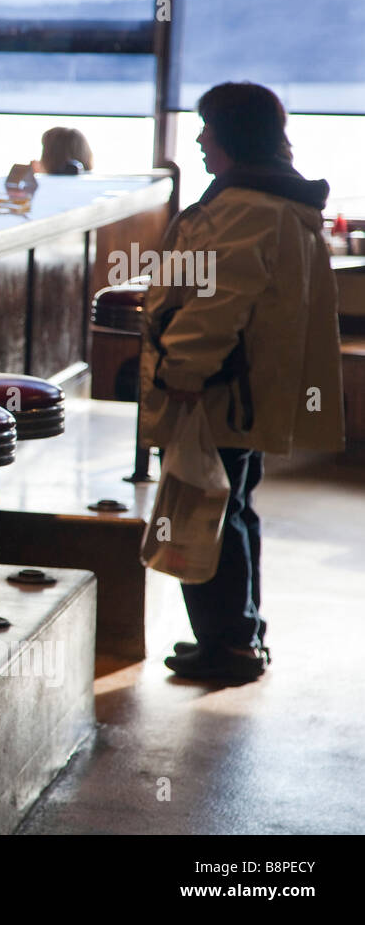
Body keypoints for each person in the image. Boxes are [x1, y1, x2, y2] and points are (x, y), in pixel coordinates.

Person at [139, 82, 344, 683]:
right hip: (246, 390)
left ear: (231, 136)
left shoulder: (245, 208)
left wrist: (182, 371)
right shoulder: (276, 199)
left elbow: (215, 304)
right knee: (234, 507)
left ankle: (227, 645)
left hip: (218, 392)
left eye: (207, 128)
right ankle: (241, 635)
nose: (200, 139)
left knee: (210, 512)